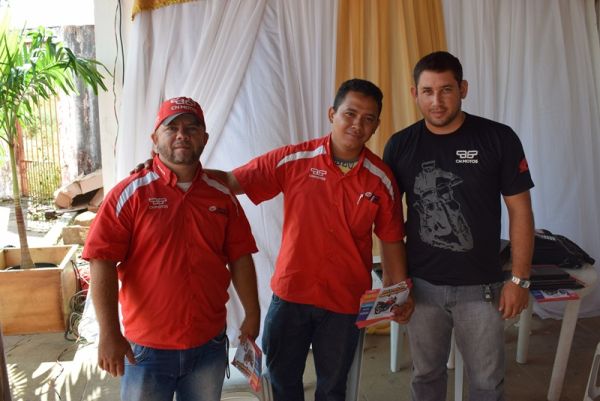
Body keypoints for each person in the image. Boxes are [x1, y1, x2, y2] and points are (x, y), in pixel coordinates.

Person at [207, 78, 414, 401]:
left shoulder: (381, 179)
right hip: (292, 295)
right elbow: (233, 181)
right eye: (350, 114)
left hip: (345, 301)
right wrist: (175, 170)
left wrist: (398, 293)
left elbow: (391, 240)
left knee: (333, 387)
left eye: (368, 118)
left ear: (375, 126)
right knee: (281, 379)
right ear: (332, 114)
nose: (357, 124)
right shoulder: (295, 160)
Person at [82, 97, 260, 401]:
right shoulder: (130, 194)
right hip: (146, 351)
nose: (182, 135)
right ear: (155, 139)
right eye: (172, 128)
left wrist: (252, 313)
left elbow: (240, 256)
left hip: (208, 345)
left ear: (204, 138)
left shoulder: (222, 197)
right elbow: (101, 261)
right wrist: (109, 332)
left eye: (192, 128)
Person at [383, 51, 535, 401]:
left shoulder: (497, 138)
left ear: (463, 89)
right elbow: (387, 221)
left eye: (446, 90)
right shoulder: (401, 145)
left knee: (487, 382)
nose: (436, 101)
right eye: (427, 91)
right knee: (425, 376)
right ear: (414, 93)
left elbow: (521, 211)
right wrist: (396, 285)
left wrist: (519, 279)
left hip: (481, 287)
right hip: (422, 286)